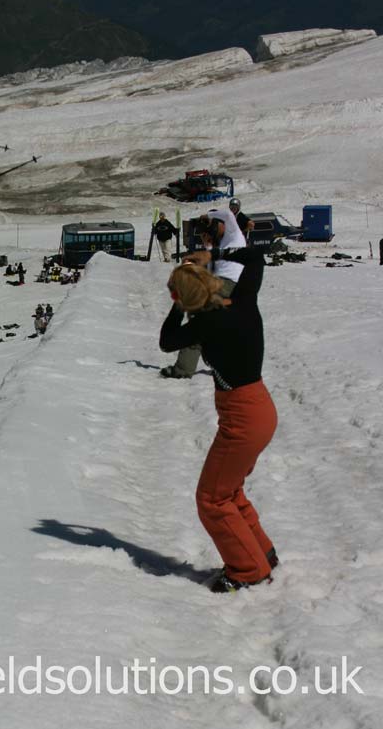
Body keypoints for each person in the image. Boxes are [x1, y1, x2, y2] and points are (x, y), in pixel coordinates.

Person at [160, 244, 279, 593]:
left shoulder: (205, 324)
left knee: (212, 498)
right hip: (261, 407)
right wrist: (210, 260)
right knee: (229, 491)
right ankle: (262, 553)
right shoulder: (244, 301)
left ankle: (248, 570)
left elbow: (167, 341)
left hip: (241, 419)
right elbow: (255, 258)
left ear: (185, 298)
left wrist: (177, 303)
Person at [160, 208, 246, 379]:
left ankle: (184, 370)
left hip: (227, 285)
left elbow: (228, 215)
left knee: (200, 323)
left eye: (214, 225)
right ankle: (223, 365)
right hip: (222, 285)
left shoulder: (234, 235)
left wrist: (207, 215)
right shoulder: (221, 244)